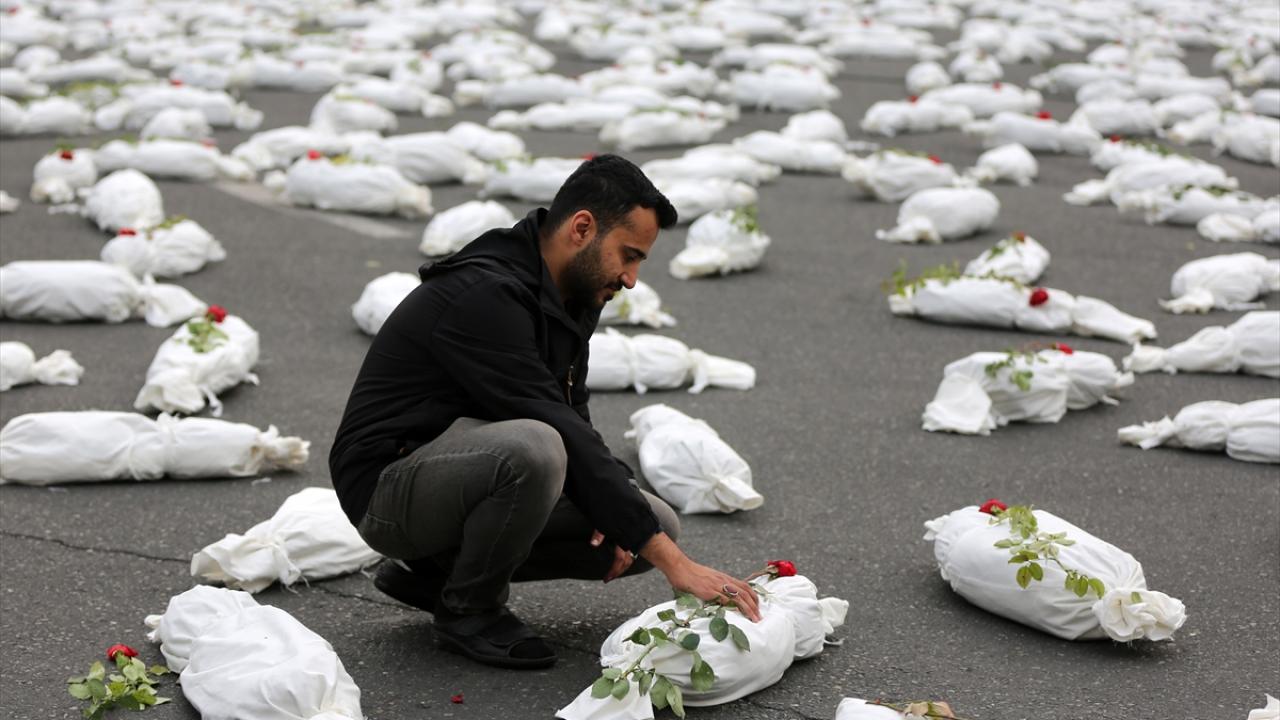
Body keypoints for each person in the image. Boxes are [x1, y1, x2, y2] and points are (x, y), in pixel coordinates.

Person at [329, 154, 760, 670]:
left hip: (463, 471)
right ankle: (470, 611)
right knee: (537, 449)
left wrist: (620, 510)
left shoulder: (575, 291)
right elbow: (553, 425)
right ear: (582, 228)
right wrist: (678, 567)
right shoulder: (485, 294)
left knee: (652, 520)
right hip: (387, 489)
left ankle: (439, 579)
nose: (631, 279)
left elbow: (573, 411)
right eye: (629, 255)